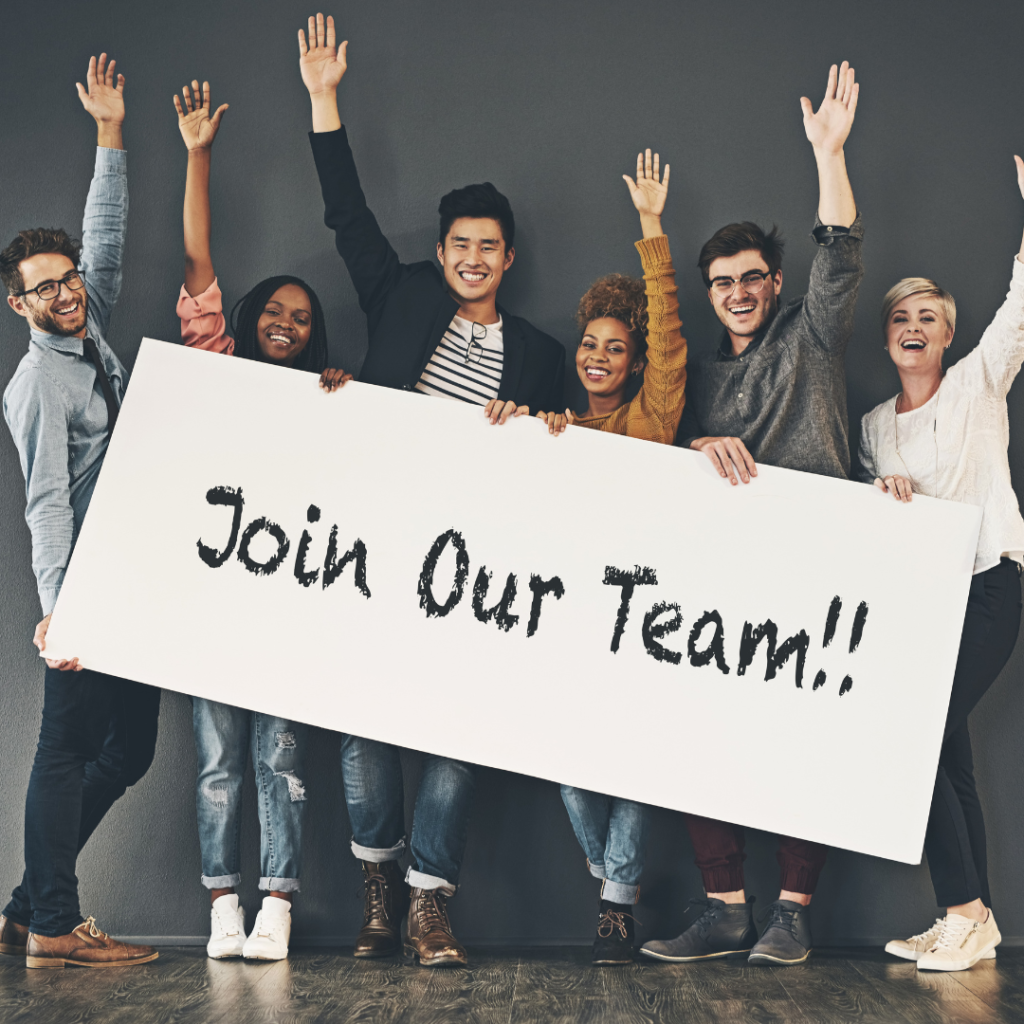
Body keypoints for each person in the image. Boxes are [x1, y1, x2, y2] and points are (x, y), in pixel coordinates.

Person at [297, 13, 565, 967]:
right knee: (366, 727)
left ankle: (428, 903)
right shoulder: (401, 293)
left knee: (460, 730)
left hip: (474, 567)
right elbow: (349, 220)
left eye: (488, 246)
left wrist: (548, 425)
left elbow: (569, 465)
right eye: (459, 244)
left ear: (507, 257)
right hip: (374, 541)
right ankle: (378, 887)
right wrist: (325, 102)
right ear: (443, 250)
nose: (472, 258)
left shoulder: (537, 353)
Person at [642, 61, 863, 967]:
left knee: (804, 735)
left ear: (775, 283)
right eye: (723, 280)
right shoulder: (698, 375)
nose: (737, 290)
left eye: (751, 277)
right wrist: (697, 448)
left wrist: (829, 155)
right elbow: (665, 453)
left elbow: (840, 250)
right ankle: (727, 906)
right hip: (725, 573)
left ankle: (795, 914)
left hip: (815, 562)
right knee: (703, 731)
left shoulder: (809, 331)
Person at [172, 78, 351, 961]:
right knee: (214, 763)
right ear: (250, 323)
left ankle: (277, 903)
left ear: (316, 339)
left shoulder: (327, 400)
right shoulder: (220, 366)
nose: (286, 324)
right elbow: (199, 262)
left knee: (279, 757)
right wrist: (199, 154)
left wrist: (348, 408)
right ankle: (222, 906)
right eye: (275, 312)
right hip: (214, 600)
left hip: (287, 605)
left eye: (302, 320)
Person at [0, 55, 161, 969]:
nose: (66, 294)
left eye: (68, 282)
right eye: (45, 288)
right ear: (14, 302)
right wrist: (62, 608)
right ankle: (56, 924)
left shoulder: (86, 326)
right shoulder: (39, 387)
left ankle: (27, 905)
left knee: (128, 750)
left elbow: (105, 242)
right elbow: (44, 505)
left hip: (128, 568)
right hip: (89, 582)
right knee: (64, 745)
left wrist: (110, 133)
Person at [860, 157, 1024, 973]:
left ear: (949, 335)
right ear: (888, 337)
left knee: (914, 733)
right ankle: (974, 918)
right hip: (922, 608)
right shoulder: (871, 428)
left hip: (990, 586)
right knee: (948, 751)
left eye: (929, 316)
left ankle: (961, 907)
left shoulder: (976, 386)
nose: (914, 325)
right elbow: (868, 514)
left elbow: (1020, 311)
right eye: (901, 317)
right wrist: (877, 484)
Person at [539, 149, 686, 964]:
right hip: (569, 628)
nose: (599, 355)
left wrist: (651, 230)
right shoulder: (552, 431)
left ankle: (616, 906)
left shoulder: (649, 424)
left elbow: (668, 344)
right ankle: (611, 877)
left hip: (643, 620)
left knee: (634, 761)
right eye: (589, 343)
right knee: (567, 766)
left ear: (632, 363)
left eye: (616, 347)